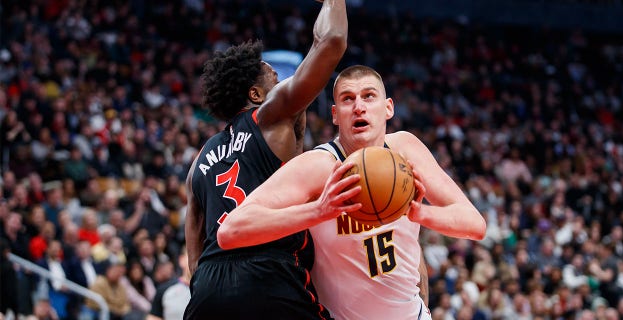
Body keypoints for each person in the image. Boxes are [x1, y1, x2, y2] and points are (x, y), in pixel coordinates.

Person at [218, 65, 487, 320]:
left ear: (388, 107)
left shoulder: (406, 150)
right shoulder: (319, 166)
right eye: (348, 99)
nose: (359, 107)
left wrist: (420, 212)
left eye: (369, 96)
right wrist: (317, 210)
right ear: (335, 114)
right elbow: (231, 231)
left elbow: (474, 225)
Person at [183, 0, 348, 318]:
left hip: (207, 289)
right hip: (268, 271)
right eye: (273, 78)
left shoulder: (197, 162)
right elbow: (331, 41)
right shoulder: (270, 117)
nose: (282, 80)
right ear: (256, 96)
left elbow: (194, 257)